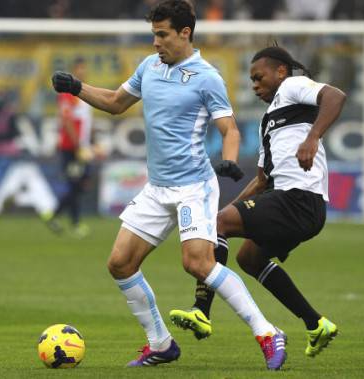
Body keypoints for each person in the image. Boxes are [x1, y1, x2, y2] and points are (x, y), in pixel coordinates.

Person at [52, 0, 287, 370]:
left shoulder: (207, 76)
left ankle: (267, 331)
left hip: (193, 187)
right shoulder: (149, 67)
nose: (156, 42)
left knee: (198, 264)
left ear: (185, 33)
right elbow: (116, 103)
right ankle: (160, 343)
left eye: (162, 35)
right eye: (153, 34)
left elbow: (229, 129)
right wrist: (77, 87)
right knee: (120, 263)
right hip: (157, 188)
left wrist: (228, 157)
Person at [170, 45, 346, 358]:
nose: (254, 85)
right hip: (296, 206)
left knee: (219, 225)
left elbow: (335, 96)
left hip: (299, 199)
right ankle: (316, 324)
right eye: (250, 80)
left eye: (258, 77)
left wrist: (313, 136)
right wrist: (224, 211)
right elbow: (262, 181)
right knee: (248, 258)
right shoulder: (268, 123)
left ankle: (201, 310)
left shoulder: (293, 87)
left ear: (280, 71)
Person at [43, 57, 93, 238]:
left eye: (84, 68)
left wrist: (91, 142)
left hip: (81, 147)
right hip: (71, 148)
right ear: (74, 70)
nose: (82, 72)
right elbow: (67, 120)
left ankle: (59, 217)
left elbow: (86, 122)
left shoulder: (84, 92)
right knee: (75, 184)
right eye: (79, 68)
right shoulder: (69, 93)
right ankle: (69, 220)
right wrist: (78, 145)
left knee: (79, 184)